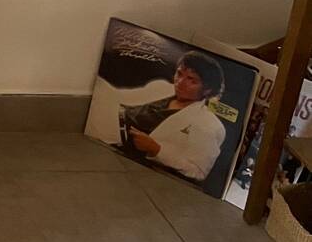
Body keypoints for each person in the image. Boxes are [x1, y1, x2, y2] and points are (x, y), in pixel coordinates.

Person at [98, 52, 228, 182]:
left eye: (191, 80)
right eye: (179, 74)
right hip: (105, 134)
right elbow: (120, 97)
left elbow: (197, 171)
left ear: (208, 90)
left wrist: (156, 149)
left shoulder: (210, 125)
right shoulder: (161, 87)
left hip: (132, 166)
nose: (180, 82)